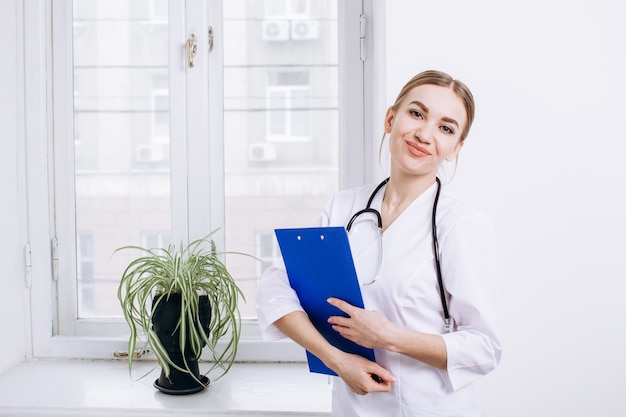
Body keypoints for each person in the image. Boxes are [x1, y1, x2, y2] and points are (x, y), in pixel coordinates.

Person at [256, 70, 502, 416]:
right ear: (391, 118)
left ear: (455, 149)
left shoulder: (459, 224)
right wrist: (337, 360)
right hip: (351, 405)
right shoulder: (343, 207)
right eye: (416, 113)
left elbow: (484, 346)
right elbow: (275, 288)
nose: (424, 134)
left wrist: (387, 336)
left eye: (445, 128)